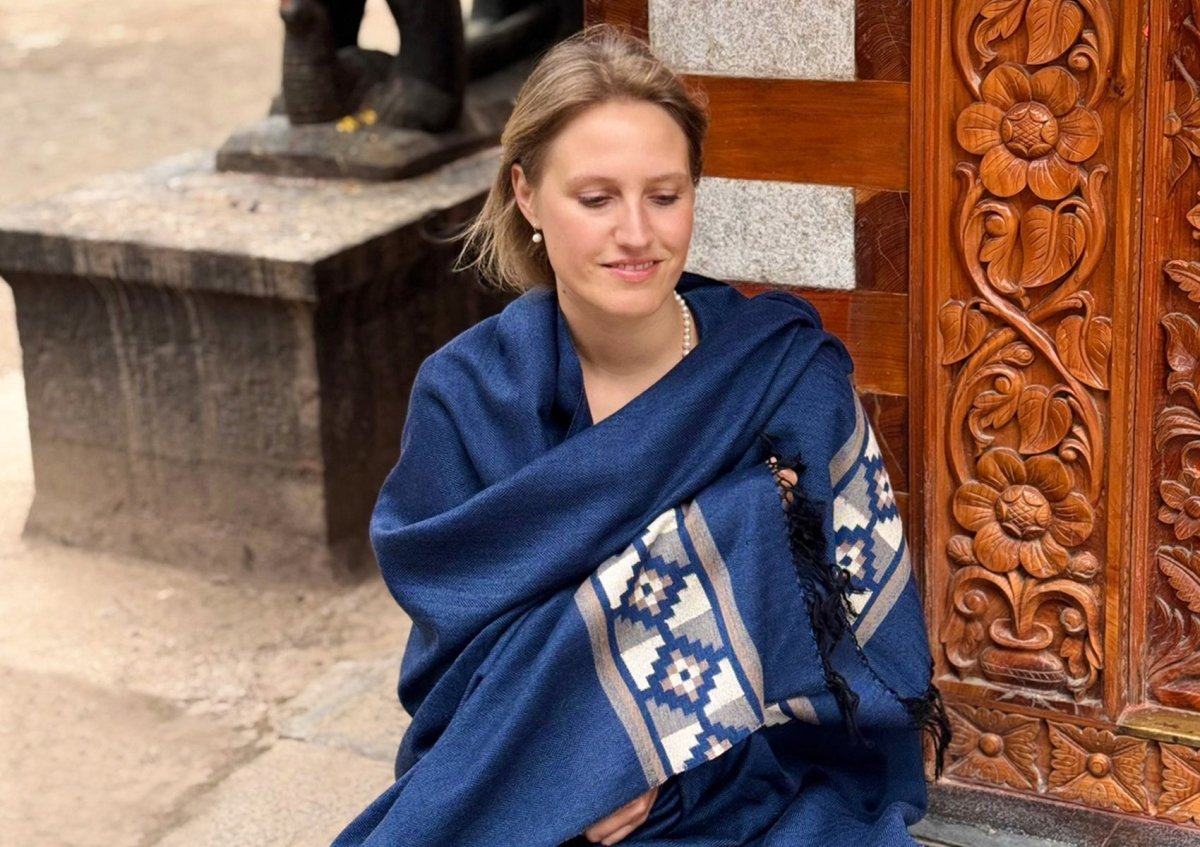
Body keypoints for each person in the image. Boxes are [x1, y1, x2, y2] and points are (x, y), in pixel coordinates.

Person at [331, 25, 947, 847]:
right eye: (596, 199)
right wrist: (573, 773)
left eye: (665, 195)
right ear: (526, 195)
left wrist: (663, 770)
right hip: (530, 784)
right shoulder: (470, 395)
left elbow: (848, 661)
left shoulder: (782, 378)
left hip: (755, 785)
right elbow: (452, 674)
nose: (636, 234)